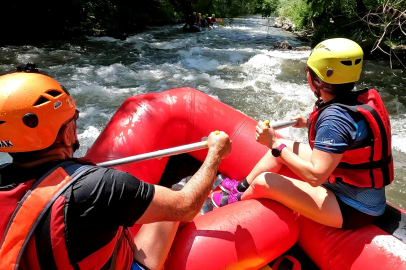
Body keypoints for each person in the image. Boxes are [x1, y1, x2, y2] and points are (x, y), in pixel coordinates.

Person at [0, 63, 232, 270]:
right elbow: (187, 207)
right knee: (173, 200)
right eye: (74, 118)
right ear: (66, 131)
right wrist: (215, 153)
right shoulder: (100, 186)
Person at [212, 38, 393, 230]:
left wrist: (273, 144)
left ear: (318, 80)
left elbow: (316, 177)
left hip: (354, 207)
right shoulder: (354, 102)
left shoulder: (334, 120)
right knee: (288, 146)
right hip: (351, 186)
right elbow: (351, 136)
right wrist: (308, 124)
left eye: (309, 71)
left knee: (265, 181)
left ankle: (235, 200)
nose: (307, 75)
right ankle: (241, 186)